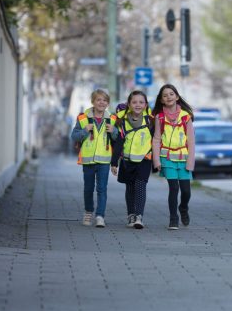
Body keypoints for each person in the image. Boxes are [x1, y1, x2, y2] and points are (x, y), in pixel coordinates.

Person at [71, 89, 118, 228]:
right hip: (88, 160)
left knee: (102, 189)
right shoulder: (82, 118)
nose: (101, 102)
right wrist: (85, 131)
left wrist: (114, 131)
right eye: (98, 100)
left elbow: (118, 139)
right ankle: (88, 212)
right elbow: (74, 136)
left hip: (104, 160)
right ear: (93, 102)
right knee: (88, 188)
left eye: (104, 100)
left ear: (108, 103)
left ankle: (100, 216)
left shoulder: (112, 119)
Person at [152, 84, 195, 230]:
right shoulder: (160, 117)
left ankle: (183, 208)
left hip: (183, 159)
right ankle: (173, 219)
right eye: (165, 95)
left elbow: (191, 140)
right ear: (162, 100)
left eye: (171, 94)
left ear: (176, 97)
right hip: (167, 158)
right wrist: (157, 161)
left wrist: (190, 162)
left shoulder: (185, 117)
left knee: (186, 191)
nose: (168, 97)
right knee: (174, 188)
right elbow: (157, 139)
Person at [110, 90, 153, 229]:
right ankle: (131, 215)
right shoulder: (123, 122)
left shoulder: (150, 121)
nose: (138, 105)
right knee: (130, 189)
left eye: (141, 102)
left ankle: (139, 216)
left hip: (144, 160)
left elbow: (156, 140)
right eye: (134, 102)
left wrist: (158, 160)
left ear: (146, 105)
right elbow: (119, 143)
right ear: (129, 104)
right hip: (127, 161)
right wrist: (114, 162)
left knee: (140, 187)